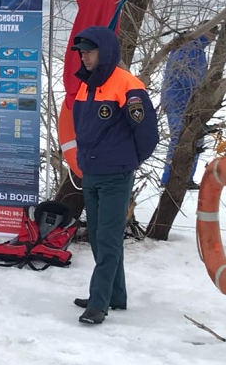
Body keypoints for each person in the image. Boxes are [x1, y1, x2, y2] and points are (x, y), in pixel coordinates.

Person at [69, 26, 158, 325]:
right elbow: (81, 126)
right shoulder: (87, 84)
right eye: (82, 52)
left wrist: (127, 161)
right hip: (91, 171)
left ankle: (98, 303)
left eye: (89, 51)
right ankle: (114, 295)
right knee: (97, 236)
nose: (84, 57)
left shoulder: (128, 85)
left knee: (107, 239)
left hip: (115, 174)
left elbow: (146, 134)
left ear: (104, 52)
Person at [160, 31, 214, 190]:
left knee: (195, 137)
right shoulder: (187, 47)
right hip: (178, 101)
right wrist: (202, 88)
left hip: (189, 101)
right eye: (213, 34)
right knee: (179, 138)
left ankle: (186, 177)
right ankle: (169, 178)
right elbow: (183, 75)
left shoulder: (198, 48)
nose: (214, 38)